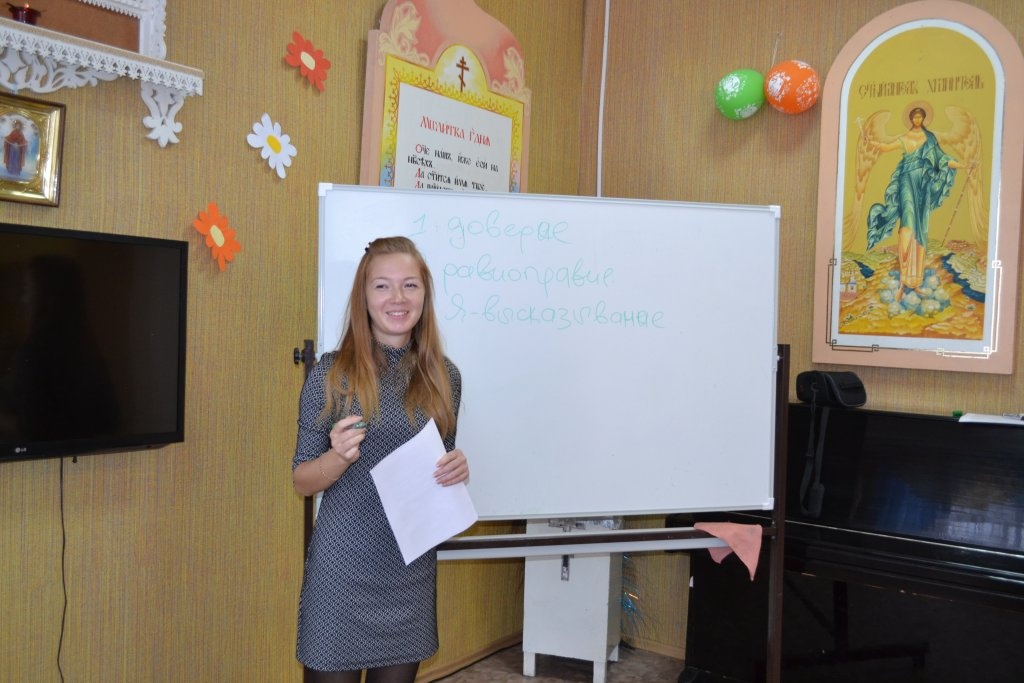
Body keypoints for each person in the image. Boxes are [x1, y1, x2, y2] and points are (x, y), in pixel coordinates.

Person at [291, 236, 469, 683]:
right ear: (364, 297)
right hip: (341, 576)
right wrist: (337, 458)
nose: (397, 298)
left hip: (410, 574)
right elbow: (302, 481)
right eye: (382, 286)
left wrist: (456, 470)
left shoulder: (445, 376)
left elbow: (438, 468)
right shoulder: (331, 374)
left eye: (410, 285)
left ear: (424, 295)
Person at [866, 106, 968, 293]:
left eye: (921, 116)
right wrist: (871, 142)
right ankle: (904, 275)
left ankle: (915, 279)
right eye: (915, 117)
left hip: (923, 186)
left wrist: (963, 165)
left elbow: (942, 159)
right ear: (911, 119)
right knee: (907, 225)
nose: (918, 119)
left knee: (920, 228)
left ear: (924, 118)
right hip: (906, 182)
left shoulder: (930, 139)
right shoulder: (905, 138)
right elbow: (886, 147)